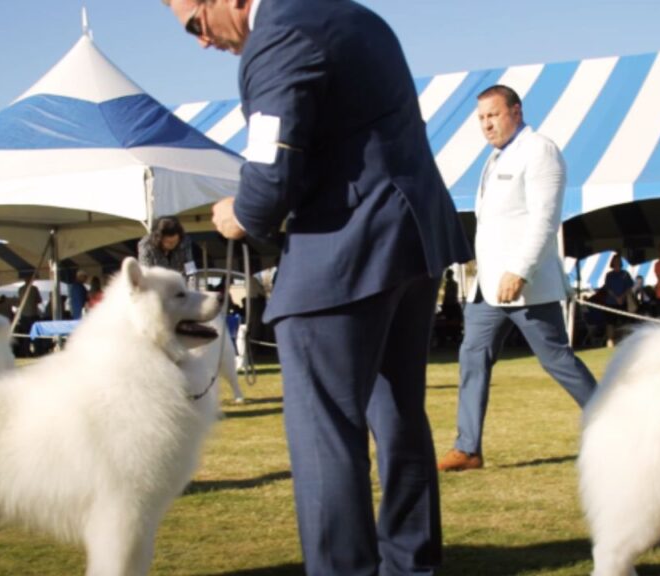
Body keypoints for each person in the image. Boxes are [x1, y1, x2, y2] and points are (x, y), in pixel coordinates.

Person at [163, 1, 472, 573]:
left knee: (323, 429)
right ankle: (411, 564)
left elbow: (270, 175)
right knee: (400, 414)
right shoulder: (352, 16)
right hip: (413, 236)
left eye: (194, 23)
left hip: (345, 250)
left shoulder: (277, 36)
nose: (201, 42)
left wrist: (240, 212)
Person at [437, 85, 598, 473]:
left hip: (525, 285)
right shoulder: (494, 159)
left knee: (558, 361)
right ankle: (467, 449)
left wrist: (520, 271)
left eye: (493, 115)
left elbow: (544, 219)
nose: (486, 124)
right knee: (471, 359)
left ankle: (625, 429)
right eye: (481, 118)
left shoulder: (540, 150)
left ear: (516, 111)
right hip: (487, 289)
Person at [602, 254, 633, 347]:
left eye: (619, 261)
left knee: (624, 322)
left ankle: (625, 341)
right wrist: (616, 297)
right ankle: (610, 341)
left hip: (623, 302)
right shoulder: (609, 275)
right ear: (612, 262)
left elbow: (629, 287)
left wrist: (622, 297)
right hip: (611, 302)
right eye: (615, 261)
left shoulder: (625, 274)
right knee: (610, 323)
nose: (617, 262)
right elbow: (608, 288)